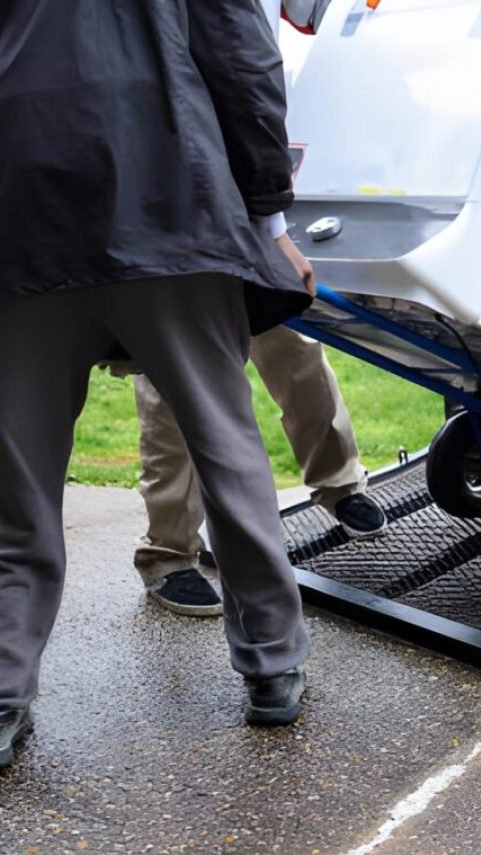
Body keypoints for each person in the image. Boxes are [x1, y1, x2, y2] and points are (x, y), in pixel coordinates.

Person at [0, 0, 317, 770]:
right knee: (223, 443)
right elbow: (243, 58)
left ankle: (4, 695)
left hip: (22, 202)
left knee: (17, 474)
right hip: (171, 192)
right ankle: (272, 665)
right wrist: (271, 220)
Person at [135, 0, 387, 619]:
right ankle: (168, 551)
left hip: (250, 175)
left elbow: (311, 19)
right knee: (171, 377)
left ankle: (338, 481)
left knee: (290, 341)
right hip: (163, 172)